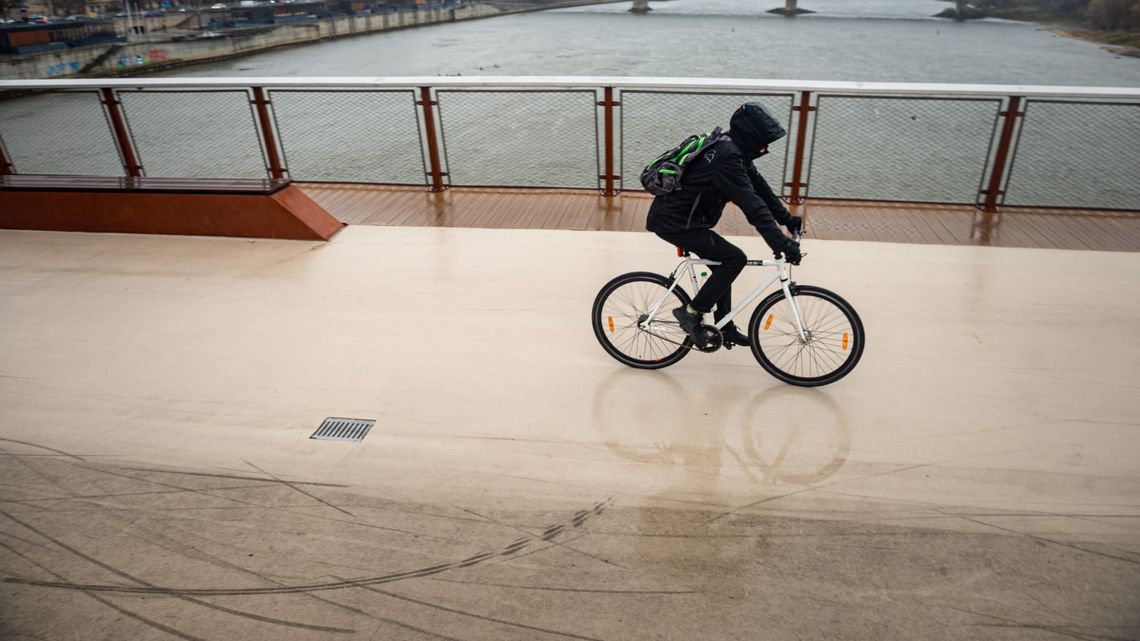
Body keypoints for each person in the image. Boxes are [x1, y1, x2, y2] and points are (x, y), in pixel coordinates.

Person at [645, 102, 803, 350]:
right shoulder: (727, 158)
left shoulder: (734, 150)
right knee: (734, 259)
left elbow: (760, 189)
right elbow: (752, 206)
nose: (767, 146)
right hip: (675, 223)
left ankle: (724, 327)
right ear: (752, 137)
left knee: (723, 261)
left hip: (688, 220)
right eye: (764, 140)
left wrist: (786, 218)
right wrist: (781, 243)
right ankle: (691, 312)